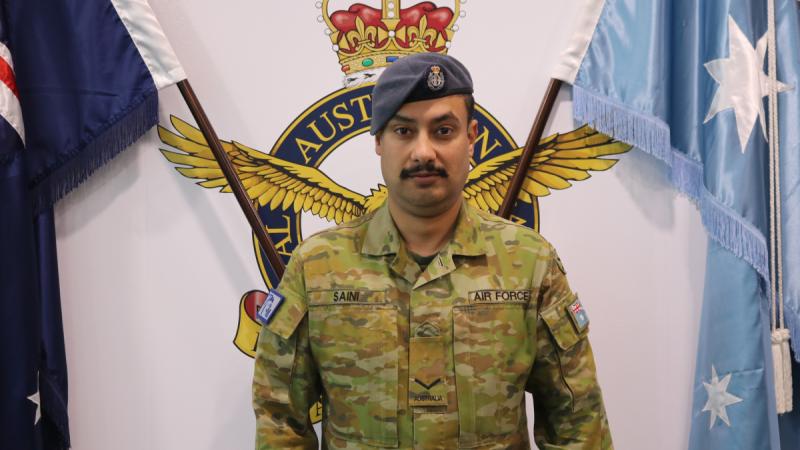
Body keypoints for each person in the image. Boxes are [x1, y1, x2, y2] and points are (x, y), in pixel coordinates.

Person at [252, 52, 612, 449]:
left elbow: (577, 420)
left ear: (471, 137)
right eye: (404, 132)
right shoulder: (317, 267)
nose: (424, 152)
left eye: (443, 131)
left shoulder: (529, 264)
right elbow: (279, 417)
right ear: (378, 141)